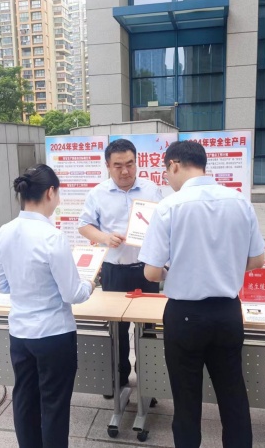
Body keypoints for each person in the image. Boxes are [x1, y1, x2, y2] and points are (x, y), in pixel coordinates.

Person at [138, 141, 265, 448]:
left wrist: (174, 271)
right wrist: (226, 267)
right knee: (233, 395)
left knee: (186, 401)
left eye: (166, 171)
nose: (167, 179)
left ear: (174, 165)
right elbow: (257, 260)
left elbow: (151, 272)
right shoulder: (239, 202)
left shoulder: (170, 206)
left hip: (185, 316)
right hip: (227, 313)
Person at [0, 164, 95, 448]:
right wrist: (90, 283)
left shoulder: (4, 232)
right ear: (50, 192)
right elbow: (72, 293)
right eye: (58, 193)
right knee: (54, 405)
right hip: (53, 334)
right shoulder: (52, 236)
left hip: (20, 333)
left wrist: (25, 287)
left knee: (24, 399)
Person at [78, 138, 163, 394]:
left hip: (147, 270)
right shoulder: (98, 193)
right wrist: (105, 238)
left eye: (130, 164)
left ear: (137, 162)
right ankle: (118, 378)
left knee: (148, 329)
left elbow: (164, 223)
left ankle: (149, 384)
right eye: (118, 166)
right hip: (114, 270)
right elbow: (84, 226)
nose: (125, 171)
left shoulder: (151, 190)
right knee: (116, 328)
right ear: (107, 166)